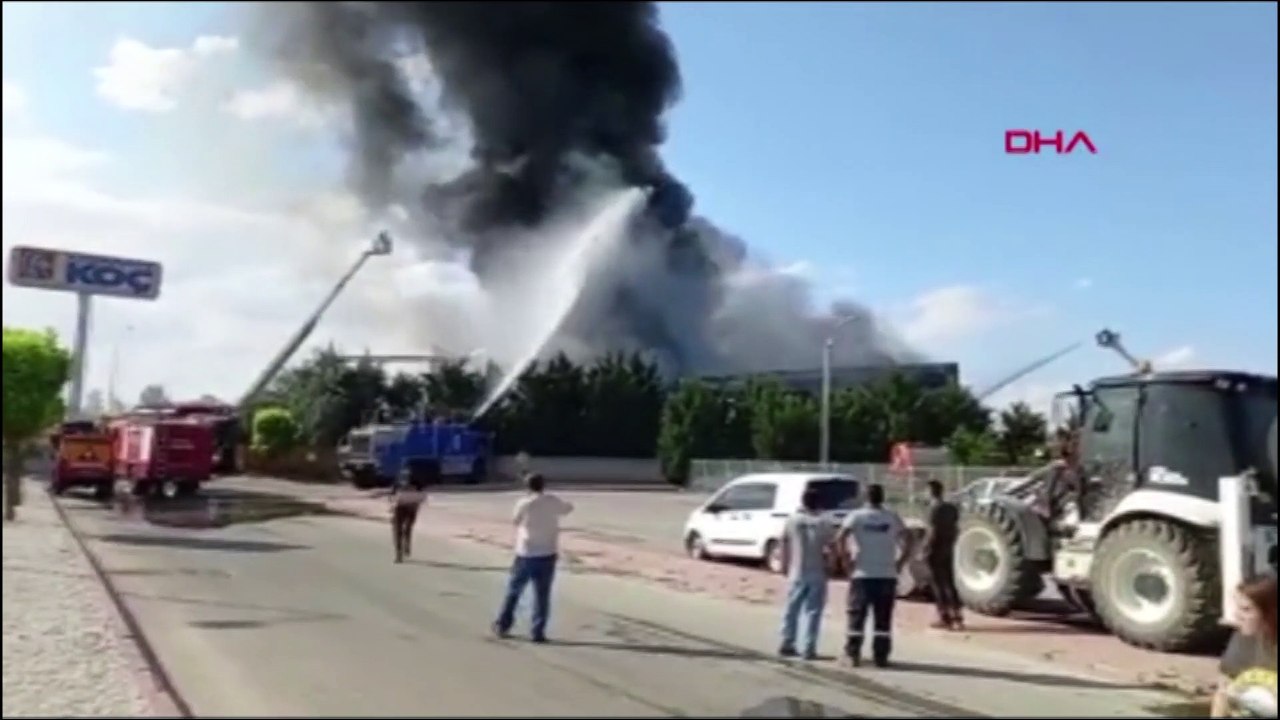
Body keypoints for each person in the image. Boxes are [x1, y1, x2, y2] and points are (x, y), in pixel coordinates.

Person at [836, 483, 914, 668]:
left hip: (862, 574)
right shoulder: (891, 516)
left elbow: (840, 537)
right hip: (887, 574)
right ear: (882, 497)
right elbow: (909, 538)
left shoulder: (856, 516)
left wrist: (846, 561)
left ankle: (852, 654)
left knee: (857, 615)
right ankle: (881, 657)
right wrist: (900, 561)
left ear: (865, 497)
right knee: (883, 617)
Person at [492, 473, 574, 643]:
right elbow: (567, 509)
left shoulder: (524, 503)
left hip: (526, 553)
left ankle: (503, 624)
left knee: (514, 591)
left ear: (527, 487)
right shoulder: (552, 501)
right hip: (547, 553)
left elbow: (515, 521)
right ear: (543, 485)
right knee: (542, 595)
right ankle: (538, 631)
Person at [778, 486, 835, 660]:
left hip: (796, 570)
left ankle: (787, 642)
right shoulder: (824, 522)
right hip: (816, 571)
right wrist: (831, 566)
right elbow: (831, 547)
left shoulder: (793, 519)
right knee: (813, 611)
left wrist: (783, 564)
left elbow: (784, 542)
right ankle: (809, 648)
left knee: (792, 608)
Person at [1211, 573, 1277, 718]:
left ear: (1270, 612)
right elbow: (1222, 692)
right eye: (1237, 608)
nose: (1237, 615)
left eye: (1246, 610)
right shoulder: (1241, 639)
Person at [923, 479, 964, 630]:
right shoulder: (951, 508)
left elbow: (932, 531)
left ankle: (944, 615)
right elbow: (956, 527)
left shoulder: (933, 509)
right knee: (949, 581)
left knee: (937, 583)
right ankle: (957, 614)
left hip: (936, 548)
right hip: (948, 547)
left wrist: (925, 548)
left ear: (930, 492)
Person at [390, 460, 434, 563]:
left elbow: (422, 494)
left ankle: (405, 547)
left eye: (407, 472)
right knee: (399, 529)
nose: (406, 475)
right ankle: (399, 552)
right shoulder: (399, 481)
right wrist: (393, 501)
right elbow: (393, 493)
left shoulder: (416, 481)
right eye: (404, 472)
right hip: (401, 508)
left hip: (410, 508)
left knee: (406, 529)